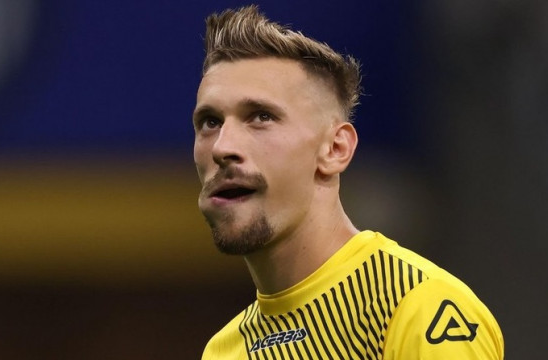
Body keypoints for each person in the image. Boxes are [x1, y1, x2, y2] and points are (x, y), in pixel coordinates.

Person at [192, 5, 504, 359]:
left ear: (335, 149)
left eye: (261, 117)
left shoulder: (418, 307)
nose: (222, 147)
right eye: (210, 122)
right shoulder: (223, 351)